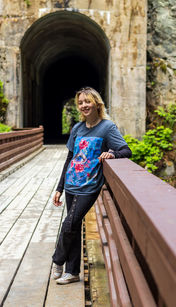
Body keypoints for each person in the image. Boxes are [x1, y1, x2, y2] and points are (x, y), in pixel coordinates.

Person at [52, 87, 132, 285]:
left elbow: (126, 150)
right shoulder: (77, 129)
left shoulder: (107, 127)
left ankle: (57, 260)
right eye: (80, 103)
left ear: (97, 103)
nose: (84, 105)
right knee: (74, 226)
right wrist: (59, 187)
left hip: (90, 186)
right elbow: (69, 158)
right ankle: (72, 272)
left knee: (68, 224)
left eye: (88, 101)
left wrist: (112, 154)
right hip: (71, 184)